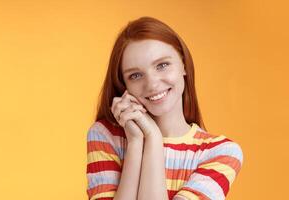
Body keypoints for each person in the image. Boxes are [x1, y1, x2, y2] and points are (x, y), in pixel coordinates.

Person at [86, 16, 243, 200]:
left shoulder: (220, 152)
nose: (152, 84)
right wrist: (136, 143)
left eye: (162, 65)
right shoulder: (105, 136)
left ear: (183, 64)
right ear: (124, 86)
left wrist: (153, 138)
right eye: (135, 75)